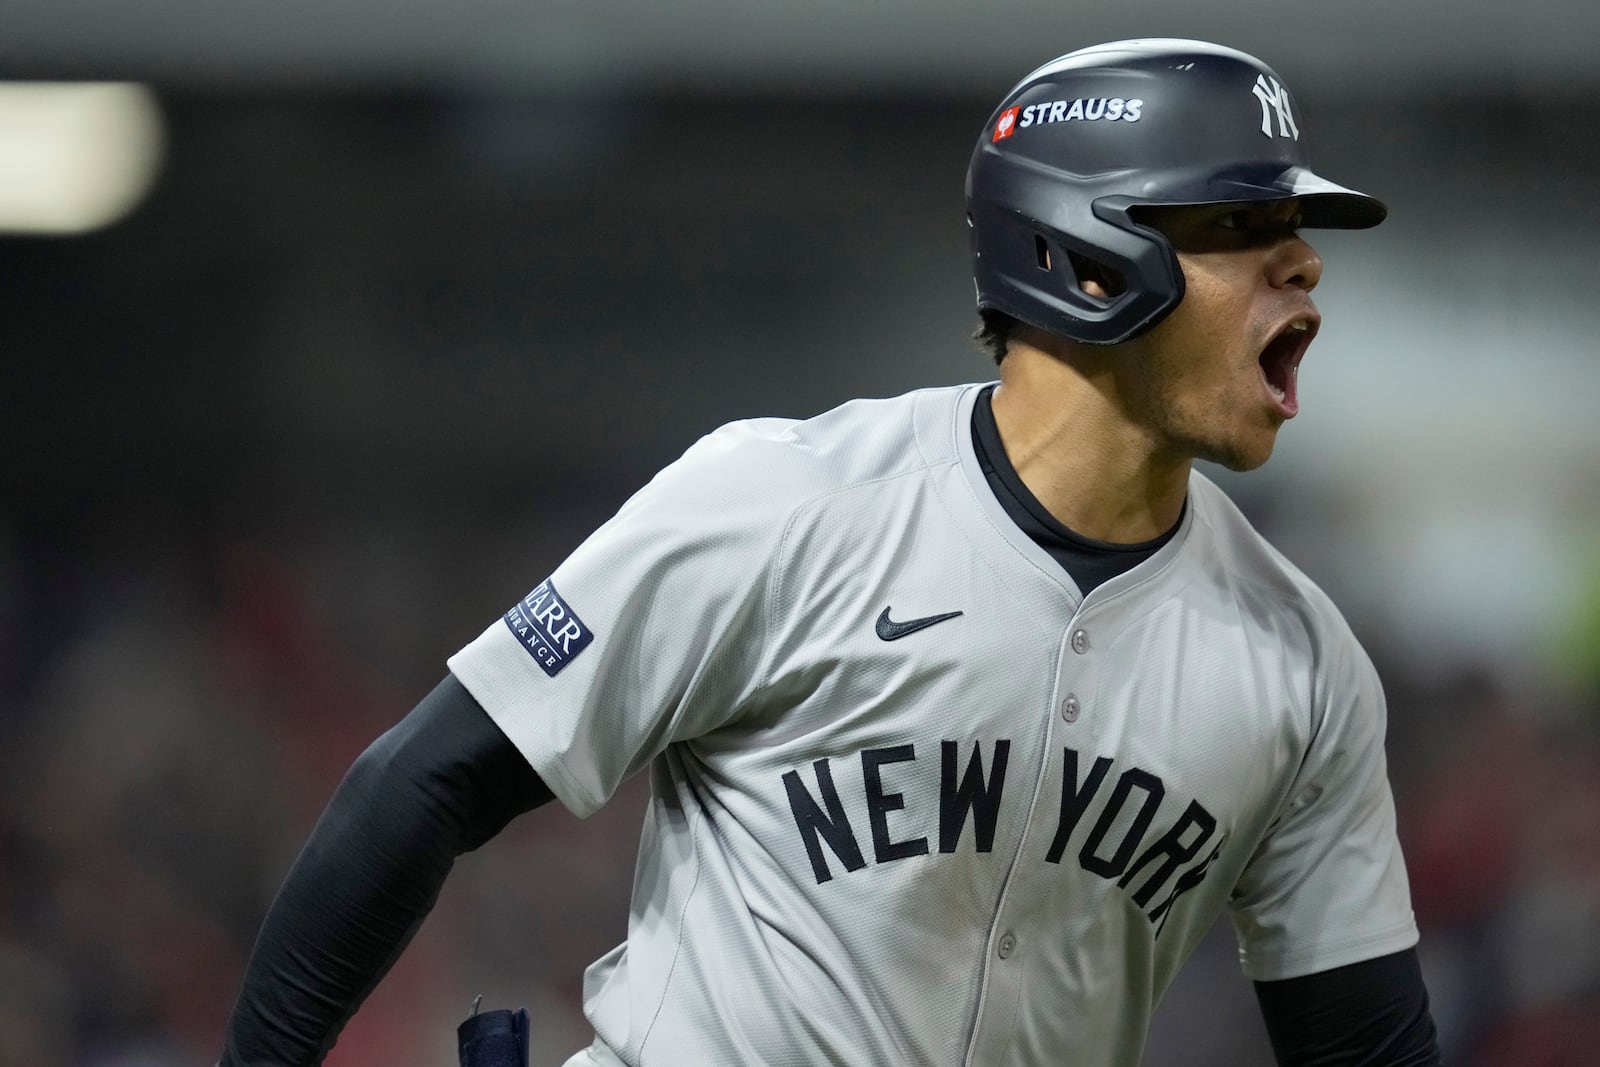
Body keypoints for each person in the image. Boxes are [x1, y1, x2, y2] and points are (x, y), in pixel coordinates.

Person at [220, 38, 1442, 1066]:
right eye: (1240, 222)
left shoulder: (1302, 661)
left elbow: (1363, 1041)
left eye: (1292, 225)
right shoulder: (783, 502)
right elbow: (420, 785)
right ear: (1080, 254)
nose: (1302, 260)